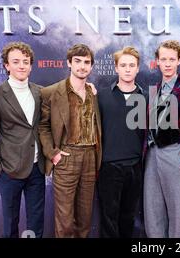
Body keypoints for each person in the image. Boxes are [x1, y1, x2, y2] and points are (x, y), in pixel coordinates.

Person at [0, 41, 45, 238]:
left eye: (26, 62)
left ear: (31, 65)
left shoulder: (39, 92)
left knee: (36, 223)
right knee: (10, 224)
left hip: (36, 169)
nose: (22, 66)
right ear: (7, 65)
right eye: (16, 62)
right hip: (10, 171)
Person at [38, 43, 101, 238]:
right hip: (66, 157)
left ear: (91, 66)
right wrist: (53, 153)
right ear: (69, 63)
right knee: (64, 221)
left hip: (90, 156)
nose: (82, 66)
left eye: (87, 62)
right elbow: (43, 126)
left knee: (84, 219)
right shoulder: (51, 93)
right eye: (78, 61)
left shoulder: (93, 93)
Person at [144, 40, 180, 238]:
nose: (167, 63)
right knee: (152, 210)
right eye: (163, 59)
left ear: (179, 61)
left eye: (172, 59)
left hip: (175, 153)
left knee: (177, 212)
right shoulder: (154, 90)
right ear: (157, 62)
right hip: (152, 154)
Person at [96, 46, 146, 238]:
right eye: (123, 65)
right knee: (109, 218)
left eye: (131, 65)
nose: (127, 69)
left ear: (137, 68)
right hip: (109, 167)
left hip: (135, 167)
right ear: (116, 68)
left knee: (128, 218)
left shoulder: (145, 97)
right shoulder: (101, 95)